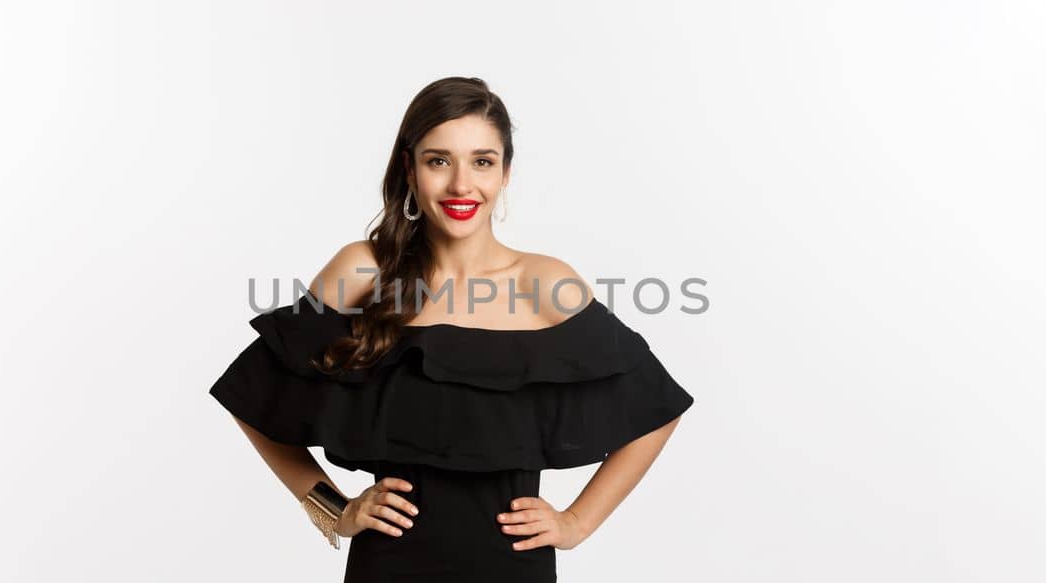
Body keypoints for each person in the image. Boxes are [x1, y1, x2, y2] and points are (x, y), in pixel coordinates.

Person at [209, 76, 695, 583]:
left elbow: (655, 407)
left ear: (506, 172)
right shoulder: (361, 272)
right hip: (388, 567)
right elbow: (252, 396)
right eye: (439, 160)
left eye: (482, 161)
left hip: (513, 568)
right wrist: (333, 508)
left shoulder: (546, 283)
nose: (462, 185)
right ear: (410, 169)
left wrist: (577, 521)